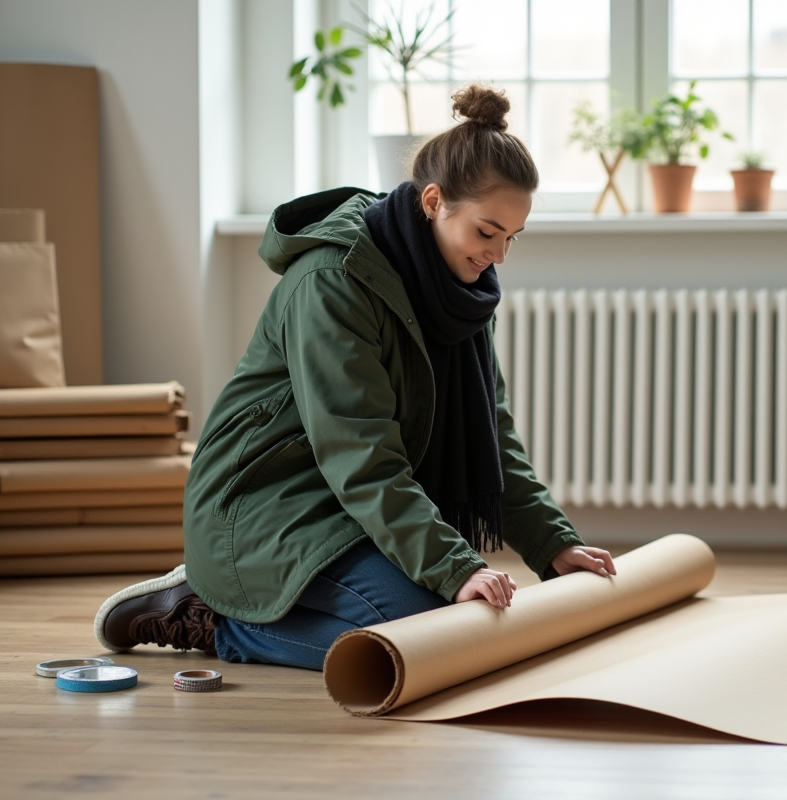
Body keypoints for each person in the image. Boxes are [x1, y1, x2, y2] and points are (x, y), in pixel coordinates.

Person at [93, 84, 616, 671]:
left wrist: (554, 543)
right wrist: (456, 567)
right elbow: (359, 452)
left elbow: (493, 435)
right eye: (486, 233)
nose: (498, 257)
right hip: (268, 506)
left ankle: (274, 608)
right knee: (436, 638)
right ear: (434, 201)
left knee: (462, 631)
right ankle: (216, 618)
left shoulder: (460, 293)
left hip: (348, 506)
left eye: (511, 238)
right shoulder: (332, 281)